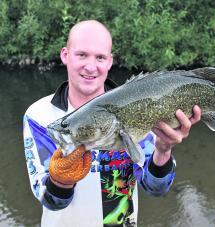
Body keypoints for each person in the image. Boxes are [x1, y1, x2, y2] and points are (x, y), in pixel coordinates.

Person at [23, 20, 201, 227]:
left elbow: (155, 189)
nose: (90, 66)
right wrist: (61, 180)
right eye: (82, 54)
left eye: (100, 57)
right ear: (65, 55)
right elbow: (49, 201)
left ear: (110, 61)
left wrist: (163, 150)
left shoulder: (140, 106)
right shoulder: (41, 116)